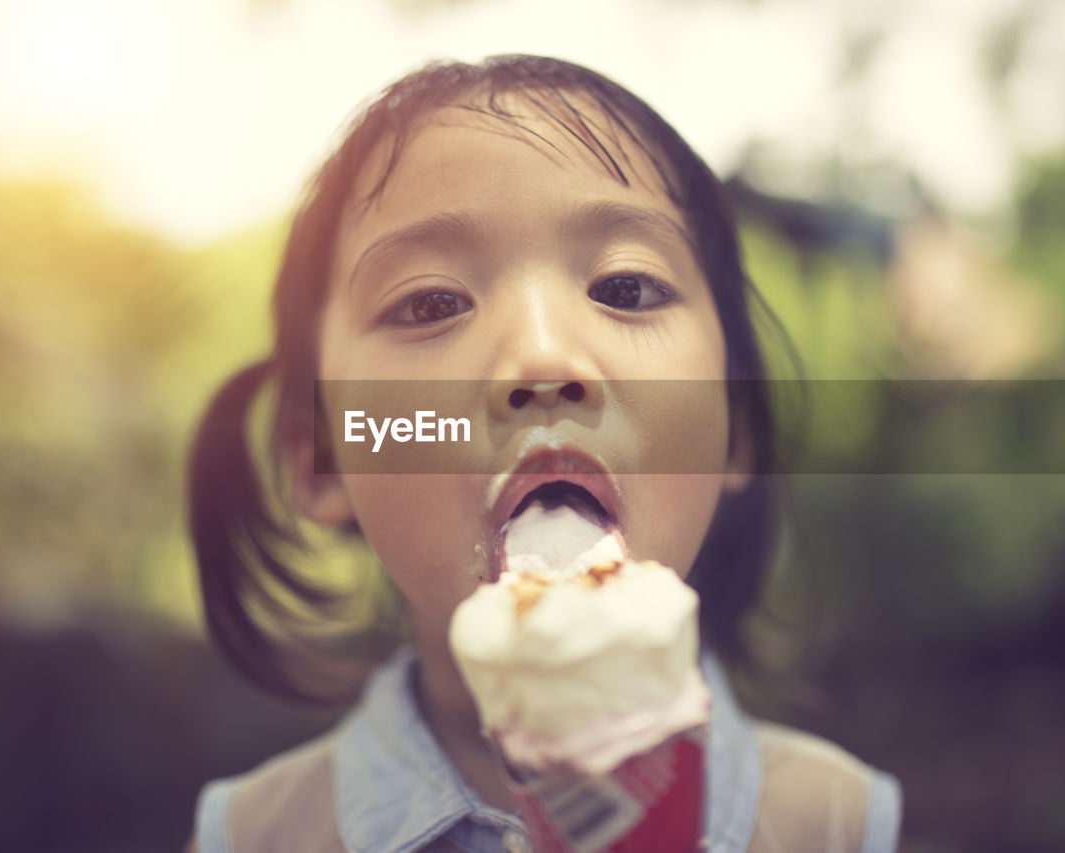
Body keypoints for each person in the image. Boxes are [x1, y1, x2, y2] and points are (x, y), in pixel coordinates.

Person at [185, 54, 902, 853]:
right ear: (323, 458)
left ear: (732, 425)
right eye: (430, 302)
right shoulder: (256, 835)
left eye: (624, 287)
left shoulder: (835, 824)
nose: (541, 357)